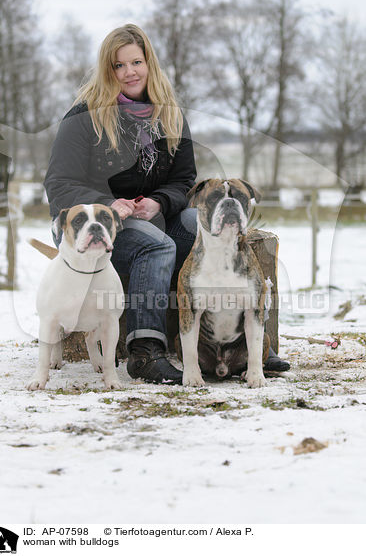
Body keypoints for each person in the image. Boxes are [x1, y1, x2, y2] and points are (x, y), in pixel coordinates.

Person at [44, 23, 289, 384]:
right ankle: (146, 350)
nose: (129, 72)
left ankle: (245, 341)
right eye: (118, 65)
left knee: (199, 228)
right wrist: (111, 204)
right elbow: (59, 184)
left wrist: (159, 202)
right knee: (156, 246)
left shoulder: (170, 114)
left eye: (136, 62)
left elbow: (184, 180)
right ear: (106, 70)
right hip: (93, 228)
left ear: (149, 63)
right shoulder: (84, 116)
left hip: (154, 216)